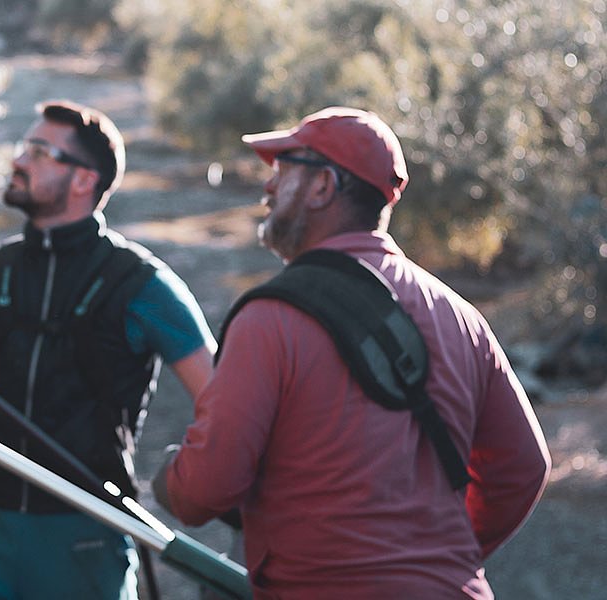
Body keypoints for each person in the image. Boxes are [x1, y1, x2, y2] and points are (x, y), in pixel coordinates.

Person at [153, 107, 551, 599]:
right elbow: (524, 466)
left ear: (323, 186)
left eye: (282, 170)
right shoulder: (462, 317)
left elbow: (205, 489)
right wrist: (435, 560)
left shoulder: (270, 318)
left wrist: (166, 478)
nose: (268, 188)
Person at [0, 100, 217, 600]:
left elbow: (222, 402)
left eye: (40, 152)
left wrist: (192, 482)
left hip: (86, 535)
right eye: (25, 147)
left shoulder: (143, 285)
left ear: (84, 180)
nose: (19, 161)